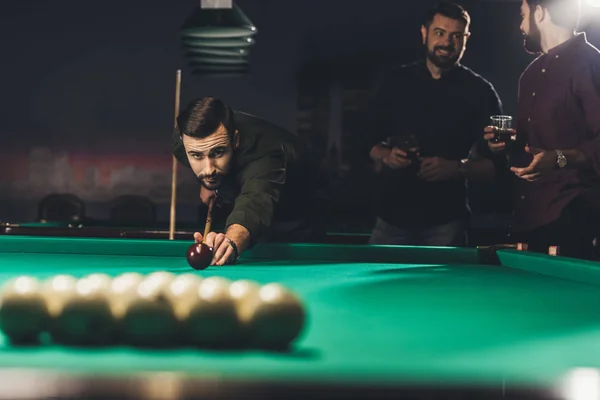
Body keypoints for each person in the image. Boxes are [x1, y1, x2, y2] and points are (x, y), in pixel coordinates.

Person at [368, 1, 504, 246]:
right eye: (440, 33)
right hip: (391, 217)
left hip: (446, 222)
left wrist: (457, 168)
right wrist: (387, 155)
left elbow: (497, 168)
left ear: (466, 39)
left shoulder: (481, 92)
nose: (447, 43)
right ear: (424, 34)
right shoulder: (394, 82)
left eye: (456, 36)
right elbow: (365, 140)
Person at [484, 0, 600, 259]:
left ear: (539, 13)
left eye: (523, 15)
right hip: (527, 220)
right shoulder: (530, 75)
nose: (521, 26)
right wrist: (507, 143)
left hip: (572, 220)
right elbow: (537, 144)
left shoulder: (591, 63)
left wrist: (559, 158)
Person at [173, 96, 323, 266]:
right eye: (196, 155)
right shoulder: (183, 140)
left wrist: (231, 241)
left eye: (218, 152)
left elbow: (256, 200)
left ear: (235, 140)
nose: (208, 169)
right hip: (245, 195)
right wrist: (208, 183)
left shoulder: (265, 151)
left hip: (295, 212)